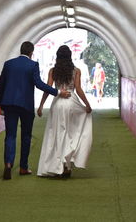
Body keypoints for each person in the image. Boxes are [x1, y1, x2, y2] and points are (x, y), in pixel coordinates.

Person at [0, 41, 71, 180]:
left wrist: (0, 103)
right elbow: (38, 84)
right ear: (31, 52)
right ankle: (23, 167)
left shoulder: (8, 64)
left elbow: (1, 85)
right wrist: (57, 92)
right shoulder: (32, 65)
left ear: (21, 51)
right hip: (26, 105)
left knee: (10, 136)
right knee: (26, 135)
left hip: (9, 104)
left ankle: (8, 164)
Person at [36, 45, 93, 177]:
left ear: (57, 56)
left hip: (57, 103)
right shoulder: (76, 71)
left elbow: (48, 88)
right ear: (70, 56)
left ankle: (57, 165)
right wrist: (87, 104)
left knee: (56, 133)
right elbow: (78, 89)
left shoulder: (53, 71)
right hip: (72, 103)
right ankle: (67, 165)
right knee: (71, 132)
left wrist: (41, 105)